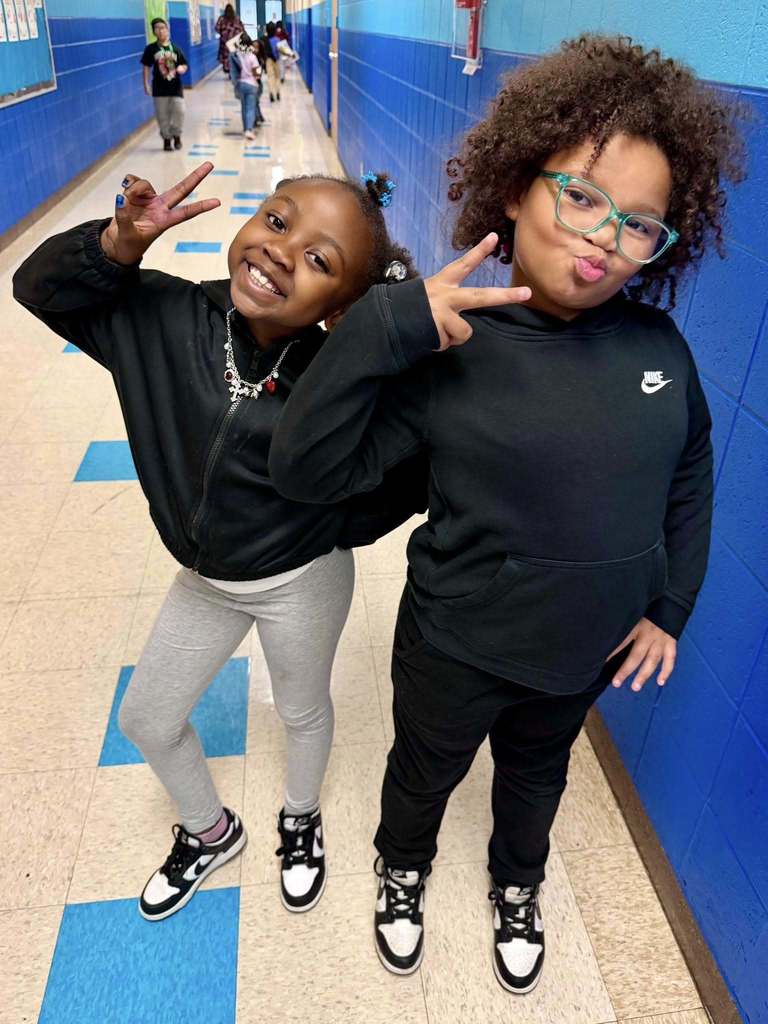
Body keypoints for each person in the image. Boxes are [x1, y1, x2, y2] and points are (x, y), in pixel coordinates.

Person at [269, 34, 746, 993]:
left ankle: (517, 882)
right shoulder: (453, 348)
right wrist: (385, 327)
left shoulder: (659, 350)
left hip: (582, 651)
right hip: (457, 644)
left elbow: (691, 469)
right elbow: (307, 473)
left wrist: (671, 607)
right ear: (519, 188)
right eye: (582, 197)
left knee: (538, 775)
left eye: (640, 225)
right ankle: (402, 868)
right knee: (425, 770)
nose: (603, 237)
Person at [13, 166, 425, 922]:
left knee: (300, 709)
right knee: (147, 718)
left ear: (339, 309)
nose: (281, 251)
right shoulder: (166, 316)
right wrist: (113, 248)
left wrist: (329, 527)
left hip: (300, 579)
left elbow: (402, 475)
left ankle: (300, 818)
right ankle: (210, 831)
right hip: (205, 579)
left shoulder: (338, 383)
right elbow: (37, 289)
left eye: (319, 259)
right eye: (277, 221)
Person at [141, 18, 188, 152]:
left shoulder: (176, 48)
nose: (160, 31)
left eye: (162, 28)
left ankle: (177, 135)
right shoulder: (151, 49)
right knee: (162, 116)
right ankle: (167, 139)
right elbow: (146, 67)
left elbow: (184, 64)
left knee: (180, 111)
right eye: (157, 28)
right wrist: (146, 84)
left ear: (167, 30)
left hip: (175, 87)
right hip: (159, 88)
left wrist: (182, 68)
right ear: (154, 32)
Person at [234, 34, 265, 138]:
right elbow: (257, 74)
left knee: (244, 108)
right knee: (250, 108)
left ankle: (245, 129)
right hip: (252, 85)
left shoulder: (237, 56)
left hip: (241, 84)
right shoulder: (252, 57)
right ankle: (249, 129)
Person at [215, 3, 244, 76]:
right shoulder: (236, 18)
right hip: (235, 42)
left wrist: (223, 33)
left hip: (225, 42)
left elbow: (217, 28)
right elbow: (241, 29)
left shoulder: (221, 19)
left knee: (226, 56)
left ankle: (229, 69)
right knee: (235, 55)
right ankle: (234, 70)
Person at [262, 22, 281, 102]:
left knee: (270, 77)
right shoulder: (277, 40)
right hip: (277, 60)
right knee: (277, 77)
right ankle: (277, 92)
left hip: (268, 60)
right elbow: (280, 51)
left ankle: (271, 93)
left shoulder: (264, 40)